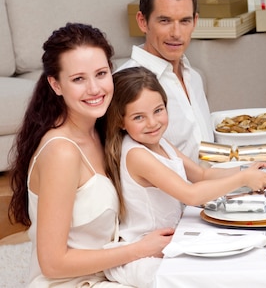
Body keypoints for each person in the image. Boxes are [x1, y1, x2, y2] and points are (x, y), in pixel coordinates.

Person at [8, 23, 172, 287]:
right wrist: (141, 248)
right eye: (78, 79)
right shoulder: (62, 152)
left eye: (101, 73)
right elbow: (52, 262)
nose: (95, 89)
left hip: (114, 271)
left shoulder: (103, 129)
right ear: (56, 85)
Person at [102, 67, 266, 287]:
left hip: (174, 239)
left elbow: (202, 174)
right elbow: (191, 195)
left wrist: (246, 170)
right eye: (139, 117)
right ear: (120, 121)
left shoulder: (159, 142)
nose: (153, 122)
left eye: (158, 110)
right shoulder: (136, 154)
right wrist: (242, 180)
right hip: (144, 255)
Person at [118, 0, 212, 163]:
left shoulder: (194, 77)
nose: (176, 34)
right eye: (165, 21)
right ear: (142, 22)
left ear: (195, 21)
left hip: (215, 185)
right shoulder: (124, 84)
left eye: (184, 21)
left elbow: (202, 150)